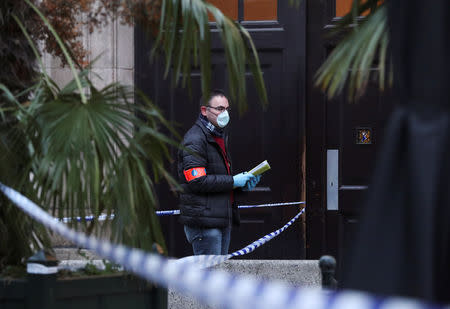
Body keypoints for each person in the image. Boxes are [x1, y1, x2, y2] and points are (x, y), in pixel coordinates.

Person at [177, 89, 261, 256]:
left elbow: (217, 181)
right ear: (204, 110)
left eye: (227, 109)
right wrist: (233, 181)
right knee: (208, 278)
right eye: (220, 109)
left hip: (220, 220)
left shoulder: (217, 136)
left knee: (218, 276)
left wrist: (241, 186)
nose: (225, 114)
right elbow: (197, 181)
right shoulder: (195, 139)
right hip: (205, 225)